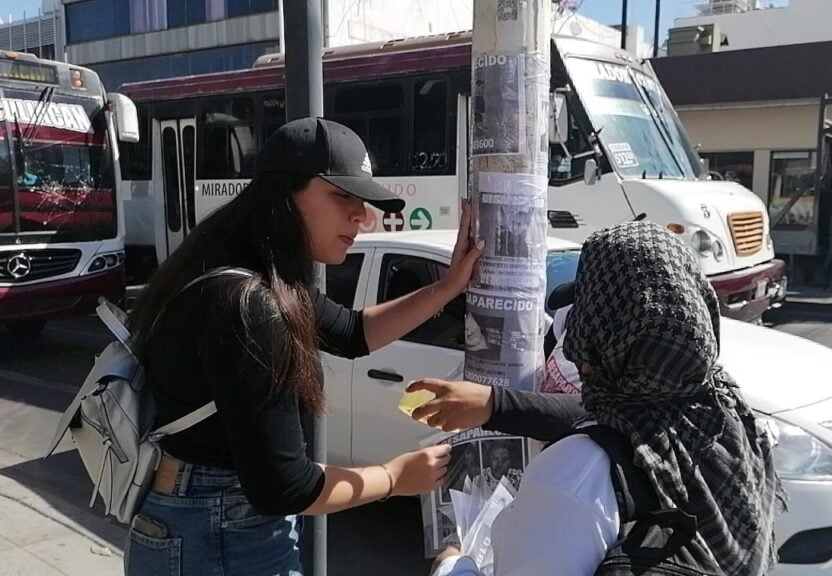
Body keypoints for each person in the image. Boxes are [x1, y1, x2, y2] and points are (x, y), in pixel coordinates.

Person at [123, 118, 482, 575]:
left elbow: (352, 333)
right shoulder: (249, 304)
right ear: (284, 193)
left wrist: (448, 287)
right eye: (342, 196)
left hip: (199, 521)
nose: (362, 216)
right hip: (221, 534)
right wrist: (393, 478)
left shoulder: (243, 267)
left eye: (363, 201)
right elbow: (286, 487)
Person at [411, 222, 779, 576]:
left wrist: (452, 565)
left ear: (596, 331)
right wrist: (498, 405)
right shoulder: (731, 417)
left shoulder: (575, 475)